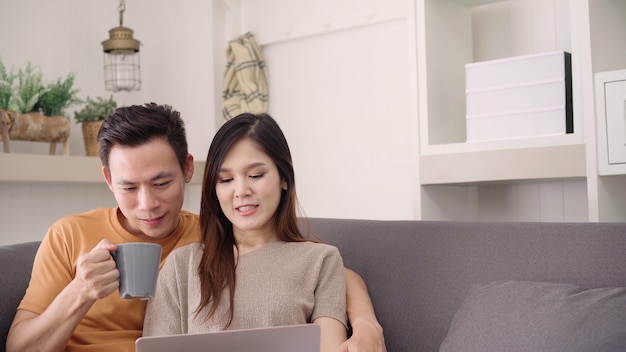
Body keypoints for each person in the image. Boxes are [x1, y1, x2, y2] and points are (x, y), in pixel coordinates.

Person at [6, 103, 386, 352]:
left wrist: (366, 323)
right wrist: (80, 291)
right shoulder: (69, 235)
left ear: (189, 169)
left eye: (161, 183)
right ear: (108, 179)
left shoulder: (212, 233)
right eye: (128, 187)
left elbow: (310, 267)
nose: (147, 204)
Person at [143, 113, 346, 351]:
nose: (241, 191)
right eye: (226, 179)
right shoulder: (181, 267)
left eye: (255, 175)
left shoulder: (322, 260)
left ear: (284, 177)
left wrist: (366, 323)